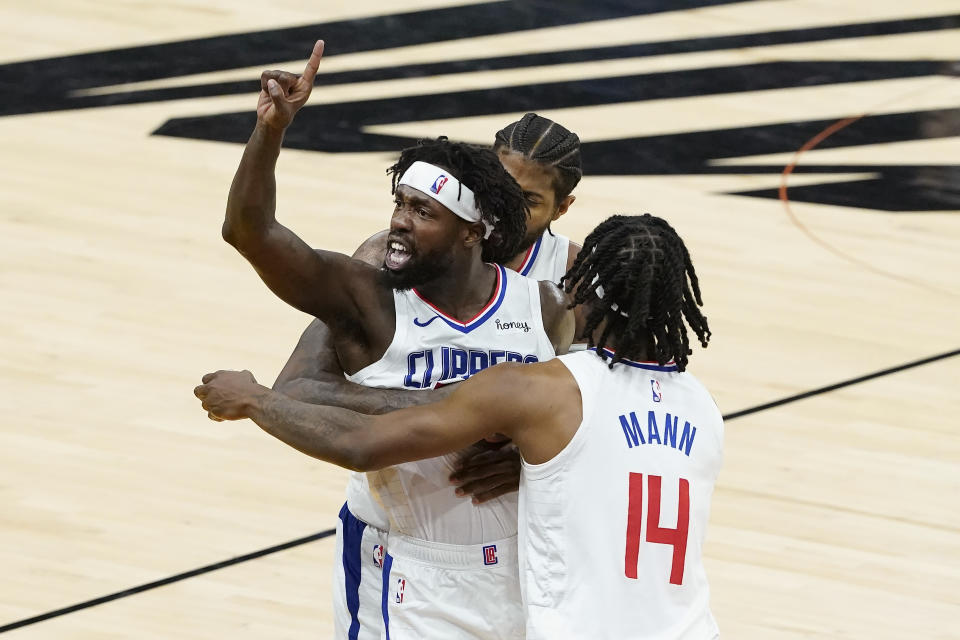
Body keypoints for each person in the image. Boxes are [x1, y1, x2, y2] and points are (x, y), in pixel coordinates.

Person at [196, 213, 723, 639]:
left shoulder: (540, 389)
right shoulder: (702, 409)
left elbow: (361, 445)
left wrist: (256, 401)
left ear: (584, 292)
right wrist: (530, 464)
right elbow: (607, 475)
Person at [220, 41, 572, 639]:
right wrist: (270, 133)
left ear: (471, 232)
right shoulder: (370, 294)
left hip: (519, 563)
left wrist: (533, 452)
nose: (399, 222)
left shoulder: (546, 305)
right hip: (402, 566)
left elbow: (600, 416)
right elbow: (249, 232)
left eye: (422, 211)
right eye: (399, 205)